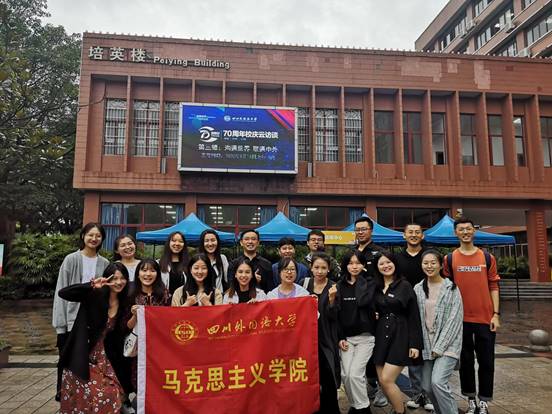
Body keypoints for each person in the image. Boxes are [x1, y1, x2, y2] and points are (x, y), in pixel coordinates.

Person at [443, 217, 501, 414]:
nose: (465, 232)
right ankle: (470, 399)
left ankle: (484, 401)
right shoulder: (450, 259)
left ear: (474, 231)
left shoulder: (487, 257)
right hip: (460, 320)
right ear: (455, 233)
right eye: (461, 229)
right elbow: (447, 290)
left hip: (485, 319)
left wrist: (496, 314)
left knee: (487, 362)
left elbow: (494, 286)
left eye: (468, 229)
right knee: (465, 362)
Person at [57, 262, 131, 413]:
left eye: (122, 278)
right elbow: (64, 293)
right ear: (107, 278)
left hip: (104, 355)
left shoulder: (124, 302)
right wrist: (91, 285)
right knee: (89, 397)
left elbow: (121, 331)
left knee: (111, 393)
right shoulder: (95, 295)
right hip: (83, 352)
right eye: (114, 278)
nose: (118, 282)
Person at [52, 222, 110, 401]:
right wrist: (60, 325)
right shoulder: (71, 259)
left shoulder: (105, 263)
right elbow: (61, 291)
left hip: (92, 321)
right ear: (83, 236)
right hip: (71, 320)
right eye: (90, 235)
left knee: (88, 361)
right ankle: (64, 396)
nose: (94, 239)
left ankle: (85, 398)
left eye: (98, 236)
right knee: (67, 359)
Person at [372, 251, 423, 414]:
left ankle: (400, 412)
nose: (385, 266)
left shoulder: (405, 286)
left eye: (388, 262)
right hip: (381, 336)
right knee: (382, 381)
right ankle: (397, 409)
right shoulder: (375, 286)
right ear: (377, 267)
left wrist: (415, 344)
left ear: (395, 264)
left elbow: (414, 316)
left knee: (387, 379)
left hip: (400, 335)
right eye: (381, 263)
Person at [414, 250, 463, 414]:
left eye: (433, 262)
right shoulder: (418, 288)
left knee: (438, 382)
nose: (429, 266)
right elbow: (414, 316)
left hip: (448, 345)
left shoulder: (452, 288)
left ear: (441, 265)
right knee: (427, 387)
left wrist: (439, 347)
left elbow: (454, 320)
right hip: (427, 344)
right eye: (425, 263)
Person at [396, 223, 433, 412]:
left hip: (429, 307)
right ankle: (417, 393)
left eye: (417, 232)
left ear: (422, 235)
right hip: (406, 310)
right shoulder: (397, 258)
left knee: (429, 351)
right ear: (404, 235)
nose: (413, 235)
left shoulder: (429, 256)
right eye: (410, 232)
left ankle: (428, 393)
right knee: (414, 349)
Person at [335, 250, 376, 414]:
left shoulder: (370, 282)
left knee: (355, 375)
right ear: (345, 265)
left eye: (358, 263)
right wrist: (340, 337)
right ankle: (356, 405)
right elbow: (337, 313)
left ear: (364, 265)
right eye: (350, 263)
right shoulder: (339, 285)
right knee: (345, 375)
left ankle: (364, 408)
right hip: (347, 338)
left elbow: (363, 301)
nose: (354, 266)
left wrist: (360, 280)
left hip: (366, 336)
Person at [125, 259, 171, 391]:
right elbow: (127, 326)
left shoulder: (164, 294)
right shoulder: (131, 295)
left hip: (160, 346)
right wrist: (134, 315)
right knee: (140, 379)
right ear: (138, 274)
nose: (148, 274)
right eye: (144, 270)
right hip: (139, 347)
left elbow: (170, 319)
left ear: (157, 274)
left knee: (160, 379)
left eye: (152, 270)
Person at [303, 253, 340, 414]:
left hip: (326, 337)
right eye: (316, 267)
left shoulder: (334, 287)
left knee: (328, 376)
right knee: (310, 378)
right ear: (311, 268)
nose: (319, 271)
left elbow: (335, 316)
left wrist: (332, 299)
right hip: (305, 340)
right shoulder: (304, 284)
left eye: (323, 268)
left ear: (329, 269)